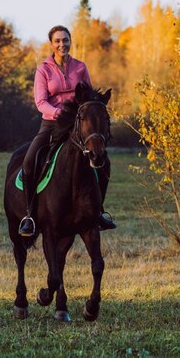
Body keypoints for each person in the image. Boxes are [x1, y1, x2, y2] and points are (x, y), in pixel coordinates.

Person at [18, 25, 116, 237]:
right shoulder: (43, 69)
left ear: (70, 41)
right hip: (52, 124)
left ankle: (98, 212)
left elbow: (89, 96)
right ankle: (29, 216)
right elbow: (41, 102)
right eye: (58, 41)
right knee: (28, 161)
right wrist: (59, 114)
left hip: (79, 125)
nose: (62, 44)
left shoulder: (81, 67)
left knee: (103, 161)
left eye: (65, 40)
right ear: (51, 44)